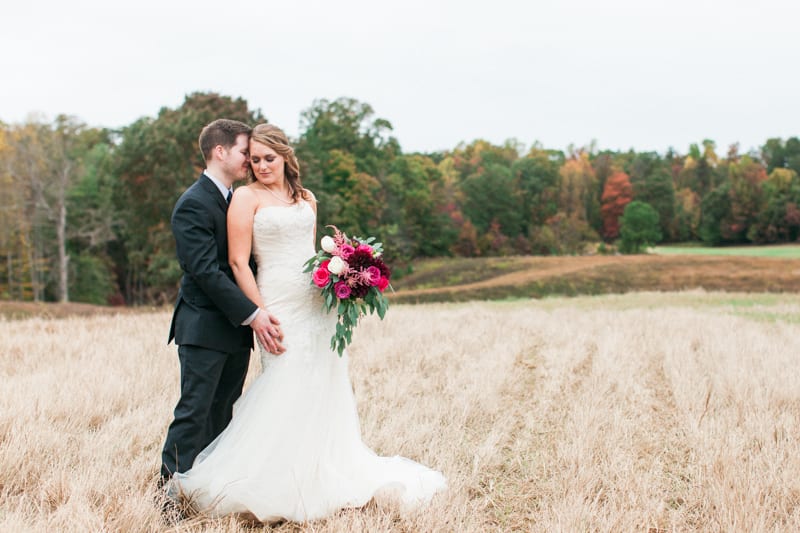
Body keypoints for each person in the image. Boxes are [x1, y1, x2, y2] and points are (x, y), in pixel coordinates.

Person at [168, 124, 446, 523]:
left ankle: (313, 477)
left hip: (314, 306)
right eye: (255, 158)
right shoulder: (244, 198)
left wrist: (340, 277)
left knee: (319, 386)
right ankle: (260, 482)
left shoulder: (307, 199)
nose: (260, 165)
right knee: (280, 384)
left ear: (285, 157)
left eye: (268, 158)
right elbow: (234, 262)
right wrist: (258, 312)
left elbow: (311, 256)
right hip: (274, 304)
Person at [160, 119, 286, 493]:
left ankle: (205, 489)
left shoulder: (235, 200)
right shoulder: (193, 203)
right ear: (220, 151)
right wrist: (253, 313)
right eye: (245, 152)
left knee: (222, 412)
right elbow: (205, 271)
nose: (251, 160)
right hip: (203, 328)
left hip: (235, 330)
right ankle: (168, 493)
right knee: (194, 413)